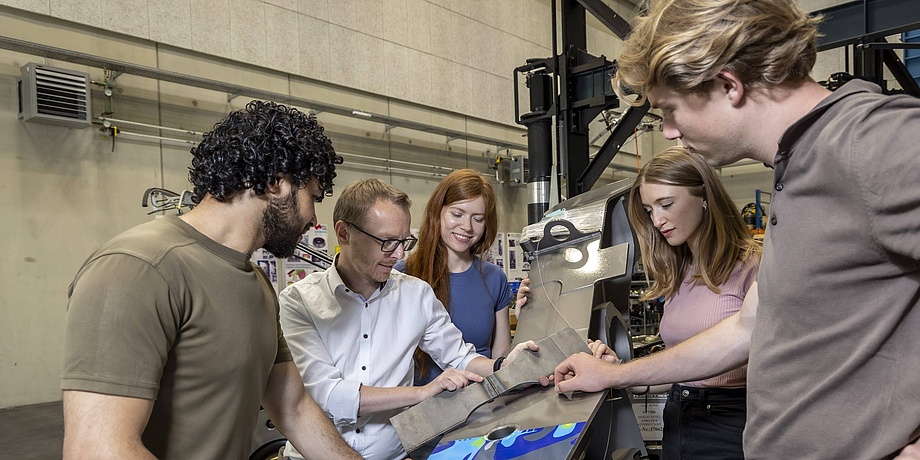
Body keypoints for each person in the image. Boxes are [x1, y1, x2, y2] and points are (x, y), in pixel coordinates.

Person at [552, 0, 920, 458]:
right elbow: (747, 327)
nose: (667, 131)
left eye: (669, 109)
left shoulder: (871, 141)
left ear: (728, 84)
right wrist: (611, 375)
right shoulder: (798, 164)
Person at [60, 101, 361, 460]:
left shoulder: (256, 282)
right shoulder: (138, 268)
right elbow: (96, 449)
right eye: (312, 197)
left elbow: (293, 407)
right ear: (276, 182)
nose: (314, 219)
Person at [278, 178, 538, 460]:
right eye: (387, 242)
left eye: (404, 241)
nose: (399, 254)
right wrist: (420, 393)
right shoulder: (299, 301)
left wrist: (504, 364)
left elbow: (460, 356)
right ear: (344, 233)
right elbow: (328, 394)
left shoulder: (416, 295)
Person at [620, 146, 759, 459]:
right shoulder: (678, 272)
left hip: (731, 421)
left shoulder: (753, 267)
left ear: (705, 196)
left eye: (666, 204)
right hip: (679, 418)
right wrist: (623, 374)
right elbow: (682, 366)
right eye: (649, 210)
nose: (657, 219)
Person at [395, 169, 526, 384]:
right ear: (438, 212)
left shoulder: (494, 278)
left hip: (481, 401)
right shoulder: (404, 275)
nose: (467, 227)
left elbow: (501, 359)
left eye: (478, 219)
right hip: (420, 406)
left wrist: (526, 320)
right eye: (457, 214)